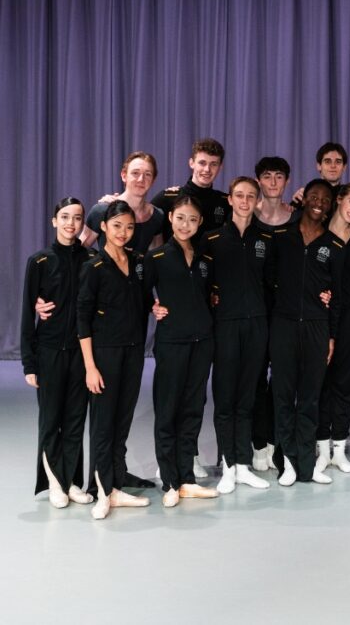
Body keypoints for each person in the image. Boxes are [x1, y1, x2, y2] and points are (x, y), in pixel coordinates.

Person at [266, 179, 347, 486]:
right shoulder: (281, 237)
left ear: (331, 205)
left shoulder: (334, 246)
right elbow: (268, 282)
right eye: (314, 196)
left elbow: (337, 297)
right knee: (284, 395)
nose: (318, 203)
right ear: (304, 199)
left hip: (317, 328)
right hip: (283, 326)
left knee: (310, 398)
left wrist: (331, 335)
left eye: (325, 199)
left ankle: (308, 463)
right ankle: (288, 461)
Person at [143, 196, 220, 506]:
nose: (186, 224)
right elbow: (139, 293)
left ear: (199, 223)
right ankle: (170, 481)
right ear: (170, 218)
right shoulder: (157, 257)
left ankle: (187, 478)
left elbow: (210, 294)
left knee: (193, 408)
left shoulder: (205, 259)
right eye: (180, 218)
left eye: (192, 219)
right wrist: (152, 306)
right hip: (172, 343)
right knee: (168, 410)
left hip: (202, 342)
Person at [77, 201, 150, 519]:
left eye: (129, 227)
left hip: (133, 352)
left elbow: (144, 300)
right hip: (104, 354)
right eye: (117, 225)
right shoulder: (93, 267)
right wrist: (90, 367)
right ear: (104, 227)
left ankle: (116, 482)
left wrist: (157, 307)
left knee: (122, 421)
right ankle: (102, 491)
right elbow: (82, 319)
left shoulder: (138, 262)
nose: (123, 232)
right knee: (103, 425)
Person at [21, 197, 94, 508]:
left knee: (75, 418)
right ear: (54, 221)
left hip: (80, 353)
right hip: (49, 352)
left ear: (82, 223)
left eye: (77, 218)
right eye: (64, 217)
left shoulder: (91, 260)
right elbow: (27, 314)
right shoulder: (39, 261)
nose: (70, 223)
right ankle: (54, 482)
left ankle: (72, 481)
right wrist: (29, 363)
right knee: (51, 420)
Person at [203, 177, 274, 494]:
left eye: (250, 196)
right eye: (239, 196)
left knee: (247, 397)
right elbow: (200, 282)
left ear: (257, 201)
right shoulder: (212, 239)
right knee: (225, 398)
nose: (245, 201)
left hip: (257, 325)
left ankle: (243, 465)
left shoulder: (266, 239)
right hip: (225, 326)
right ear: (230, 200)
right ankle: (228, 466)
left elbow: (273, 285)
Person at [314, 183, 350, 476]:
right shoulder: (317, 232)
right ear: (339, 200)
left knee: (344, 382)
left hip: (349, 316)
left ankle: (339, 448)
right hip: (320, 315)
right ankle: (322, 448)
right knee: (322, 381)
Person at [250, 156, 298, 471]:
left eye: (278, 176)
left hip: (286, 310)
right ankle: (258, 444)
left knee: (282, 380)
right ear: (259, 181)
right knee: (255, 378)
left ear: (286, 181)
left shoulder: (297, 217)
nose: (273, 182)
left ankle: (278, 442)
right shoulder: (246, 215)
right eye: (267, 176)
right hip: (254, 308)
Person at [81, 151, 165, 253]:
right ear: (124, 176)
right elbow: (79, 251)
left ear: (153, 180)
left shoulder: (157, 215)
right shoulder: (102, 210)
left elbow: (156, 256)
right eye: (135, 173)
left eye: (148, 174)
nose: (141, 179)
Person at [152, 138, 230, 242]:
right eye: (202, 163)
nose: (207, 169)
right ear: (191, 163)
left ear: (220, 167)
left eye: (213, 164)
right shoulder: (167, 198)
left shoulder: (225, 202)